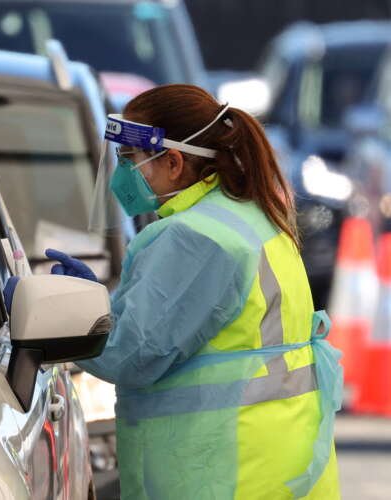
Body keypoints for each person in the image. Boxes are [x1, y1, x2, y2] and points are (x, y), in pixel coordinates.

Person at [47, 84, 342, 499]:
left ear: (172, 161)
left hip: (222, 471)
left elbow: (129, 355)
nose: (123, 174)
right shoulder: (247, 217)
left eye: (130, 160)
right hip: (272, 462)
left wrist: (64, 318)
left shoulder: (195, 238)